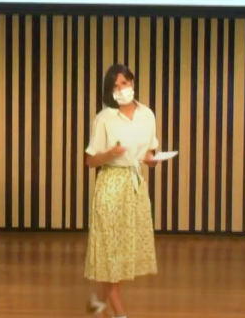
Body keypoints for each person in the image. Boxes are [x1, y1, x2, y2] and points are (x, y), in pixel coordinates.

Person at [83, 63, 161, 318]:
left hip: (135, 186)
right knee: (111, 254)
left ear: (132, 83)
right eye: (115, 87)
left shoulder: (147, 115)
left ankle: (99, 299)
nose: (120, 90)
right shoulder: (104, 118)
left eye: (124, 84)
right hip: (110, 185)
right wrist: (109, 154)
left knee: (125, 253)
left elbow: (149, 153)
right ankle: (120, 315)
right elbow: (90, 160)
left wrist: (151, 159)